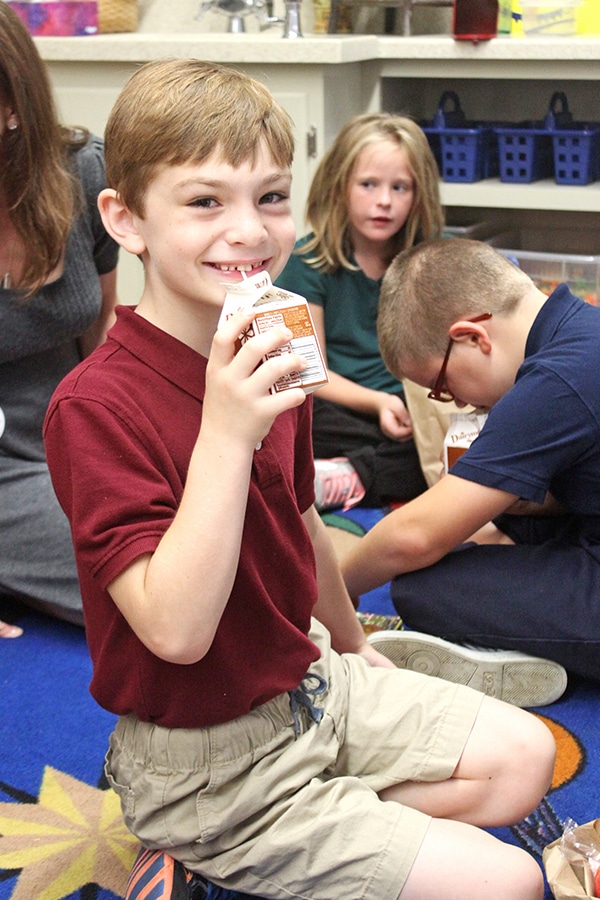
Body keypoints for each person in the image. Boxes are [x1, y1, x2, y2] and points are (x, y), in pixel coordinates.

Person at [44, 60, 556, 900]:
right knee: (508, 883)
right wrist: (227, 429)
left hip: (308, 683)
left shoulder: (273, 343)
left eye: (271, 197)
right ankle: (209, 854)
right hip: (203, 762)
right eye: (205, 201)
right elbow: (174, 632)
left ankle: (306, 835)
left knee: (527, 758)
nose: (248, 230)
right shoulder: (93, 406)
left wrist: (353, 644)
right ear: (124, 219)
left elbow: (300, 519)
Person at [341, 235, 600, 696]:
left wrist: (331, 589)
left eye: (441, 386)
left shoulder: (554, 380)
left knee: (421, 588)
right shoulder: (580, 328)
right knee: (496, 512)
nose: (457, 401)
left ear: (472, 337)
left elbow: (414, 536)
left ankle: (517, 648)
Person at [0, 2, 119, 638]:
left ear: (13, 105)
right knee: (143, 577)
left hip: (71, 428)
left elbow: (101, 332)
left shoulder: (80, 172)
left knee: (224, 517)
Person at [276, 113, 442, 510]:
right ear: (339, 187)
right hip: (341, 409)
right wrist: (379, 403)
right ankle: (357, 474)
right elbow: (308, 372)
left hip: (415, 409)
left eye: (400, 187)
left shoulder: (434, 259)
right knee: (286, 423)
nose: (384, 201)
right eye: (369, 185)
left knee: (454, 437)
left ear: (419, 195)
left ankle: (347, 477)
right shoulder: (304, 262)